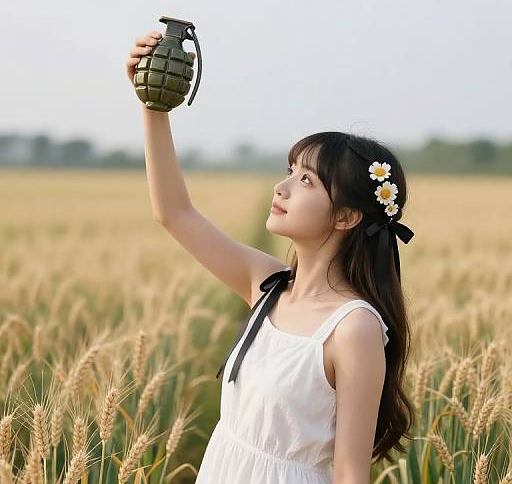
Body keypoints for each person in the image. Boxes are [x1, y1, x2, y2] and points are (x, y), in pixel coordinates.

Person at [126, 31, 416, 484]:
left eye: (306, 182)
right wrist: (153, 103)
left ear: (346, 216)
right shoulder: (267, 285)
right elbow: (174, 213)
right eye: (289, 172)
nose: (281, 188)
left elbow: (349, 471)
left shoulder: (353, 328)